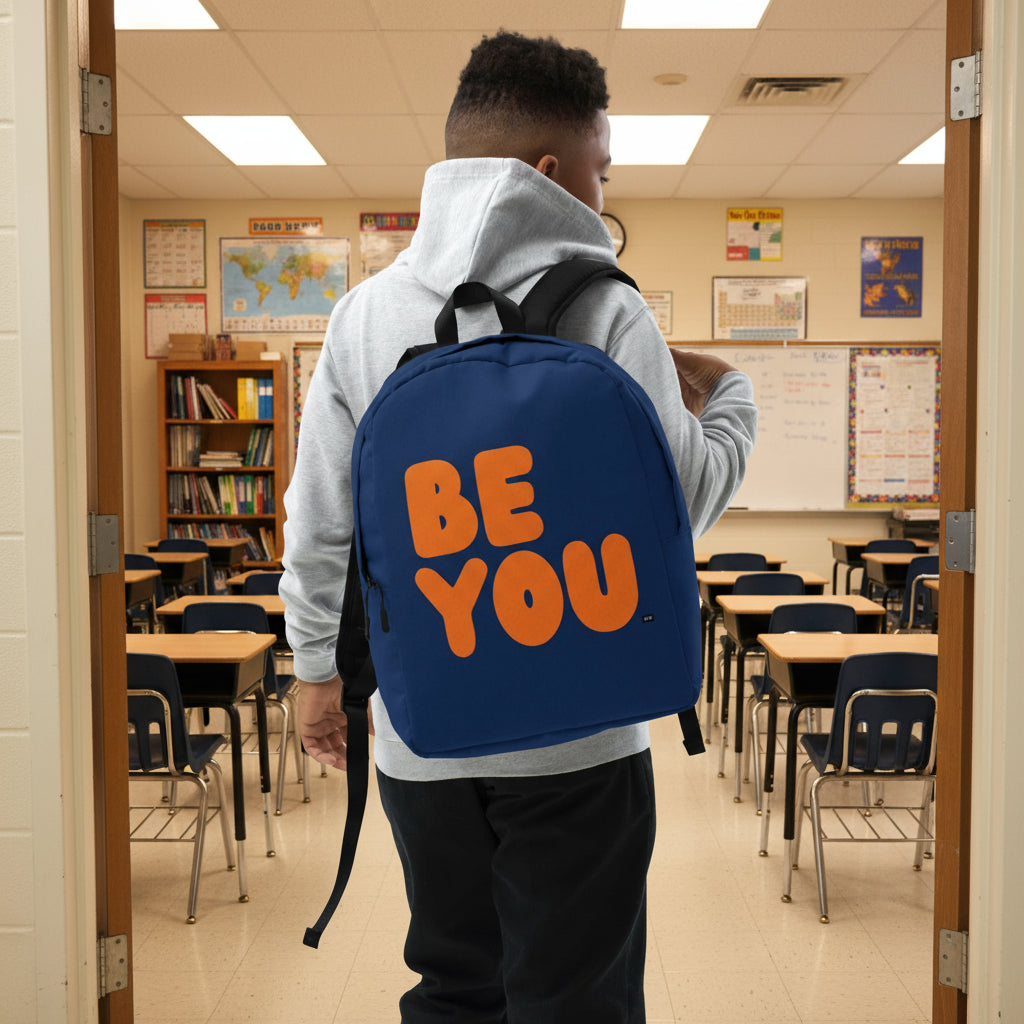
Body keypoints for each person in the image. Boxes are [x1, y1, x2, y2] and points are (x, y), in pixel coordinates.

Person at [280, 30, 757, 1024]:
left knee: (454, 983)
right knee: (575, 993)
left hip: (424, 736)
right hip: (579, 741)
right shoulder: (608, 306)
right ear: (550, 171)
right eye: (601, 172)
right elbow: (685, 505)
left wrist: (315, 672)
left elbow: (322, 515)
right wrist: (731, 397)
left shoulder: (363, 315)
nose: (601, 196)